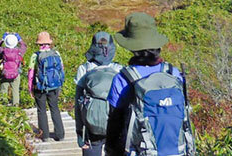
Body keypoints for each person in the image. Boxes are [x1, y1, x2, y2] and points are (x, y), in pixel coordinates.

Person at [105, 13, 195, 156]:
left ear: (132, 47)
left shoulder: (124, 78)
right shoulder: (174, 73)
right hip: (178, 151)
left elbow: (115, 123)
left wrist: (111, 151)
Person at [75, 31, 122, 156]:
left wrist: (80, 133)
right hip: (115, 127)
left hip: (91, 128)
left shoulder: (84, 69)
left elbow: (77, 104)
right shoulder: (119, 70)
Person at [28, 31, 66, 142]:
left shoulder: (35, 55)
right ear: (49, 43)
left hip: (40, 87)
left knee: (41, 110)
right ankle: (60, 135)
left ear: (39, 44)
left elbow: (31, 73)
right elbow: (61, 69)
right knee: (55, 108)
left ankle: (44, 136)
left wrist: (30, 88)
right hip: (54, 86)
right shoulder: (56, 54)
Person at [0, 32, 27, 106]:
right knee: (15, 91)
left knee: (3, 90)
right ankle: (15, 107)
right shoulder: (19, 51)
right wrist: (19, 39)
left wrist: (2, 39)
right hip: (16, 73)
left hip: (4, 73)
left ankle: (3, 106)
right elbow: (24, 46)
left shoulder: (3, 51)